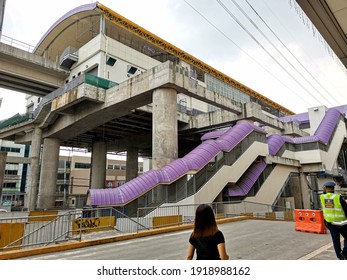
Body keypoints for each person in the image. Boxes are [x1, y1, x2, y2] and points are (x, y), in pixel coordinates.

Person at [320, 181, 347, 260]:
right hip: (342, 223)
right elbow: (346, 209)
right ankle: (345, 252)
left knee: (335, 240)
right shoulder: (338, 197)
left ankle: (339, 256)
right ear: (334, 188)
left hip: (330, 223)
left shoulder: (322, 197)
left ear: (325, 188)